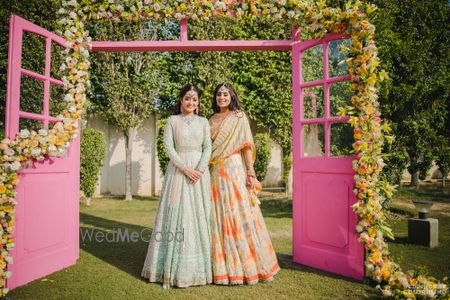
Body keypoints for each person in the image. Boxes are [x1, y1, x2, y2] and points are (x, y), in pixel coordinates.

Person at [141, 84, 212, 288]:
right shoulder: (172, 121)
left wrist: (198, 169)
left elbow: (208, 147)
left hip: (199, 174)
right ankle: (169, 269)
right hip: (178, 173)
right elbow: (169, 148)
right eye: (187, 98)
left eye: (195, 99)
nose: (191, 102)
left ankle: (198, 271)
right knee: (177, 214)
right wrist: (185, 169)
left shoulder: (204, 122)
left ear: (198, 103)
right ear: (181, 100)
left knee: (198, 215)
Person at [208, 82, 279, 285]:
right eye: (219, 94)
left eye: (225, 94)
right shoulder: (210, 119)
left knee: (240, 212)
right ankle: (223, 268)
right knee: (219, 215)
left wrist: (250, 172)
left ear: (232, 96)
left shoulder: (239, 117)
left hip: (234, 169)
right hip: (215, 171)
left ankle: (250, 266)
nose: (222, 97)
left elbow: (247, 146)